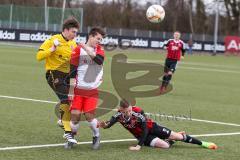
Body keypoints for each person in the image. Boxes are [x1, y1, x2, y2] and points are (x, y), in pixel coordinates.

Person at [99, 99, 218, 151]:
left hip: (152, 128)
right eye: (126, 111)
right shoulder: (118, 116)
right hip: (142, 137)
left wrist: (138, 146)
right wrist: (104, 125)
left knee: (179, 137)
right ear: (121, 109)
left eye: (130, 110)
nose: (129, 113)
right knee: (165, 146)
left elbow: (145, 129)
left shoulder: (138, 111)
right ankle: (171, 140)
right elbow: (108, 125)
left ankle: (203, 144)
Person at [36, 16, 80, 145]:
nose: (75, 35)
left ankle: (62, 121)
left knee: (72, 101)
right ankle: (68, 133)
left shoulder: (73, 43)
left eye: (76, 32)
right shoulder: (52, 40)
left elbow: (75, 60)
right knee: (65, 100)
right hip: (53, 75)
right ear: (66, 30)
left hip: (67, 76)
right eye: (73, 32)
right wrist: (52, 49)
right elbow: (38, 56)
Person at [68, 27, 106, 149]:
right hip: (78, 90)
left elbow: (99, 61)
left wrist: (85, 48)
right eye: (98, 38)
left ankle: (96, 135)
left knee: (90, 117)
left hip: (91, 91)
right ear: (91, 36)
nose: (99, 41)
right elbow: (72, 72)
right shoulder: (78, 50)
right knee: (75, 117)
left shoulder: (100, 49)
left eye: (101, 39)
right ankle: (71, 138)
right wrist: (71, 91)